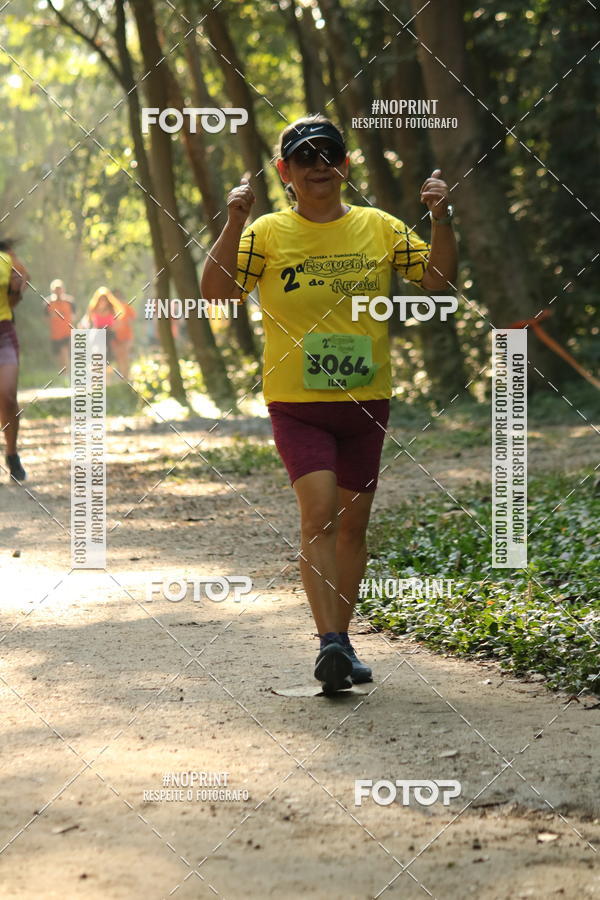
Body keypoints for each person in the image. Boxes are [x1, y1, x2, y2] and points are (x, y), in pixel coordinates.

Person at [201, 114, 457, 694]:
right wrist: (232, 221)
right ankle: (330, 644)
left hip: (366, 401)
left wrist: (441, 218)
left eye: (328, 156)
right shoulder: (265, 232)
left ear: (344, 165)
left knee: (353, 531)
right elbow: (215, 294)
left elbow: (438, 280)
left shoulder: (380, 227)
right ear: (284, 171)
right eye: (305, 158)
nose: (318, 166)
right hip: (296, 401)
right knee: (319, 515)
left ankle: (342, 640)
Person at [0, 239, 29, 482]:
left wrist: (17, 288)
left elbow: (21, 281)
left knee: (7, 394)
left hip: (3, 330)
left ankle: (11, 453)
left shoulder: (7, 256)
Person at [45, 278, 75, 372]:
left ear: (63, 289)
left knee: (65, 352)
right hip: (55, 334)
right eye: (56, 289)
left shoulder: (70, 301)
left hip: (67, 333)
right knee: (58, 356)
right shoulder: (48, 303)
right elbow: (45, 319)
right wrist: (52, 318)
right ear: (52, 290)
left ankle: (67, 375)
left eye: (60, 288)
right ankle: (64, 374)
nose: (58, 291)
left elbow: (74, 316)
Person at [111, 289, 135, 379]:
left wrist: (124, 323)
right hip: (115, 337)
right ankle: (121, 376)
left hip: (127, 336)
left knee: (125, 355)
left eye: (118, 295)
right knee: (118, 356)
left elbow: (132, 318)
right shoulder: (110, 308)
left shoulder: (126, 306)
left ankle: (126, 376)